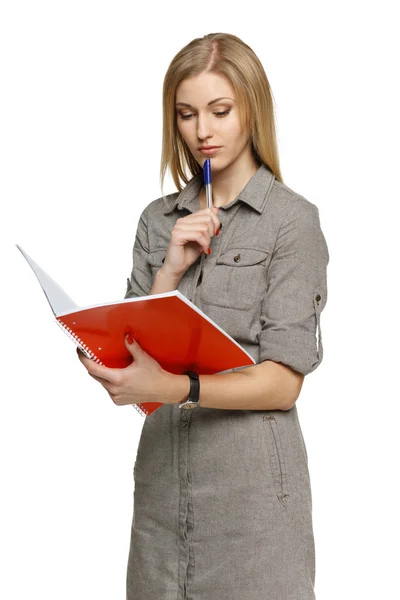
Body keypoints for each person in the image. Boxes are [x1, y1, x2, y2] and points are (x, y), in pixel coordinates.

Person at [78, 32, 329, 600]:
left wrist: (174, 385)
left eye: (220, 110)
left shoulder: (292, 223)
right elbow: (132, 382)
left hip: (255, 504)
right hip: (162, 497)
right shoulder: (156, 220)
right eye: (187, 114)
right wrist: (168, 270)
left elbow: (283, 383)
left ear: (253, 109)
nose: (202, 131)